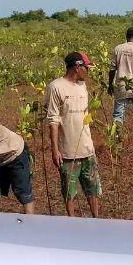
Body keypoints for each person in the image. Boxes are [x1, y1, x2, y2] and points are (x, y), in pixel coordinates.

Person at [45, 51, 101, 218]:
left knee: (93, 189)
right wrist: (55, 149)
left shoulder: (82, 86)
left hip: (87, 149)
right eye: (86, 68)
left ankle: (96, 220)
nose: (88, 71)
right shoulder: (56, 87)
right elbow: (53, 120)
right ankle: (72, 222)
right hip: (68, 153)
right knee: (69, 192)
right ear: (77, 67)